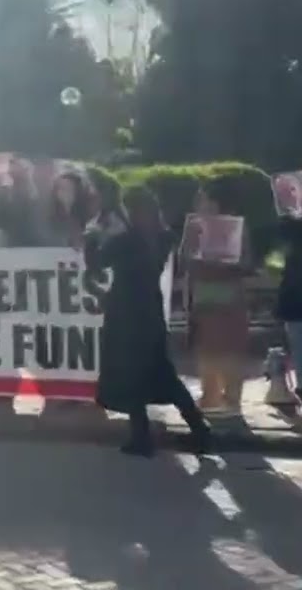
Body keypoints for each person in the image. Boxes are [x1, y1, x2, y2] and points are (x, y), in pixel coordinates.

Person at [83, 184, 210, 456]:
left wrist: (92, 238)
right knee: (163, 373)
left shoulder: (125, 241)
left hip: (125, 313)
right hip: (150, 311)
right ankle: (198, 427)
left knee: (131, 375)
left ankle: (141, 437)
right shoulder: (163, 238)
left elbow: (96, 264)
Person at [185, 182, 252, 413]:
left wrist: (226, 263)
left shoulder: (236, 227)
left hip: (229, 297)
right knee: (206, 349)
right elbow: (185, 260)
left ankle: (232, 398)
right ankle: (210, 396)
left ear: (217, 202)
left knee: (230, 349)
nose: (199, 205)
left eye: (204, 199)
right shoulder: (195, 227)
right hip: (204, 295)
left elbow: (246, 262)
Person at [277, 214, 302, 398]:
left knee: (298, 347)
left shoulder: (290, 230)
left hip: (294, 302)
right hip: (294, 301)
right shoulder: (291, 227)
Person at [48, 171, 93, 248]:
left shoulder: (88, 214)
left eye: (68, 188)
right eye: (60, 188)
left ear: (77, 190)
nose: (63, 192)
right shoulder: (51, 215)